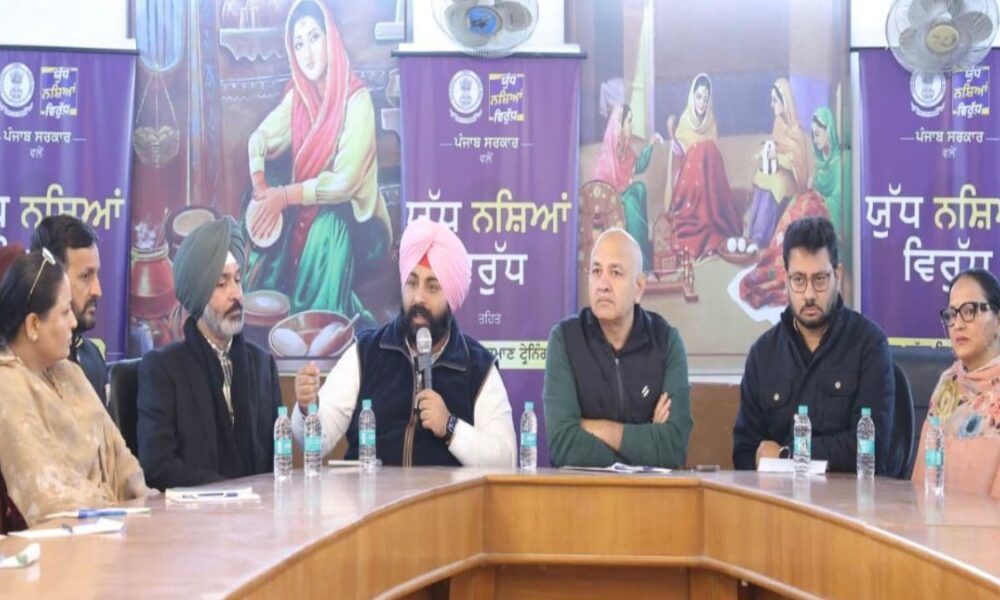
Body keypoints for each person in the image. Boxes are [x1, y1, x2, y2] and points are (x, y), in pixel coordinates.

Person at [293, 219, 516, 467]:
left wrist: (450, 426)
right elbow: (315, 441)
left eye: (432, 287)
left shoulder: (477, 366)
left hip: (445, 494)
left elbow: (506, 459)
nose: (418, 297)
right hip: (371, 492)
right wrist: (307, 408)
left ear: (451, 298)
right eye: (412, 283)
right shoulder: (367, 352)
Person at [244, 0, 392, 322]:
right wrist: (261, 186)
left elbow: (344, 184)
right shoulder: (298, 97)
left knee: (328, 224)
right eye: (298, 44)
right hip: (306, 212)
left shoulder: (357, 101)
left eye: (314, 38)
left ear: (331, 38)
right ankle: (263, 315)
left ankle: (316, 326)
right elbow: (260, 138)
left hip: (359, 226)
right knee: (259, 202)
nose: (307, 53)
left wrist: (284, 196)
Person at [733, 216, 898, 475]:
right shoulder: (763, 355)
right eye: (799, 280)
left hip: (849, 497)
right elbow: (744, 453)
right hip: (778, 497)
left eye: (820, 279)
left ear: (837, 276)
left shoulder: (869, 344)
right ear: (786, 279)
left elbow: (870, 446)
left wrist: (788, 455)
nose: (809, 294)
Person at [0, 251, 154, 527]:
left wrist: (147, 503)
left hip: (113, 524)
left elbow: (121, 460)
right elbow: (47, 496)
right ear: (33, 324)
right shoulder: (7, 386)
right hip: (62, 542)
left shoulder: (70, 372)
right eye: (64, 312)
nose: (74, 321)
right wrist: (114, 510)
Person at [137, 217, 283, 489]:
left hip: (261, 511)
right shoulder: (163, 370)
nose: (236, 294)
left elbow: (277, 462)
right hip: (196, 514)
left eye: (237, 280)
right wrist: (227, 494)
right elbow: (158, 466)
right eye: (221, 283)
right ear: (198, 294)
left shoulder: (262, 365)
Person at [544, 228, 692, 468]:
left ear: (639, 287)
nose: (603, 284)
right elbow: (564, 445)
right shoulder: (566, 340)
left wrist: (591, 427)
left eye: (615, 273)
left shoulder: (666, 342)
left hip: (650, 491)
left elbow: (672, 449)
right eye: (596, 271)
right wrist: (647, 440)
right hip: (581, 489)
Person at [912, 269, 1000, 498]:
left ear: (998, 320)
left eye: (969, 311)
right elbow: (921, 479)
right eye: (951, 314)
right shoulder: (948, 384)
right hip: (933, 516)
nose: (958, 324)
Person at [30, 216, 108, 408]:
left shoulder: (93, 356)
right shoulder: (24, 367)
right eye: (85, 276)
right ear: (50, 281)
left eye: (97, 275)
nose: (98, 290)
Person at [666, 73, 742, 259]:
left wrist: (703, 152)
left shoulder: (711, 122)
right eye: (699, 97)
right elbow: (678, 156)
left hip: (709, 189)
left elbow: (715, 160)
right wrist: (673, 137)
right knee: (700, 151)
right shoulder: (685, 121)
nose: (702, 103)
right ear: (692, 97)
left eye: (706, 99)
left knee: (707, 149)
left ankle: (710, 220)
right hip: (688, 188)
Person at [744, 78, 814, 251]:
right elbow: (775, 146)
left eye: (775, 100)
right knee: (760, 177)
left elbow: (796, 162)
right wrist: (763, 154)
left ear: (785, 102)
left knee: (775, 183)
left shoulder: (796, 132)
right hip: (778, 170)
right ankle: (752, 232)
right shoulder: (779, 124)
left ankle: (761, 237)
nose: (771, 104)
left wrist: (777, 158)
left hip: (792, 178)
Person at [593, 104, 655, 271]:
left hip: (623, 195)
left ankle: (642, 254)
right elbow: (600, 194)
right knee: (631, 202)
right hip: (611, 204)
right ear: (619, 126)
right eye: (629, 121)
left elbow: (638, 166)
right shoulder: (606, 158)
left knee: (640, 188)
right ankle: (639, 265)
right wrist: (618, 199)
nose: (631, 126)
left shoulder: (625, 151)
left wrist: (650, 145)